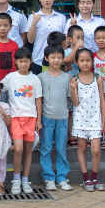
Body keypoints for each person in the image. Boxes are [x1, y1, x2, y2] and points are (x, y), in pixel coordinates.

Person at [1, 48, 42, 195]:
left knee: (28, 150)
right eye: (20, 61)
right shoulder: (10, 77)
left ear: (31, 62)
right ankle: (16, 178)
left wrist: (39, 119)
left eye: (26, 61)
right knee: (18, 149)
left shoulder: (35, 79)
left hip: (31, 117)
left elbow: (38, 99)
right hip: (15, 117)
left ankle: (25, 179)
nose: (23, 64)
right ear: (16, 62)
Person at [70, 48, 105, 191]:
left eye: (88, 60)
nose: (85, 63)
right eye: (82, 60)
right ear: (76, 62)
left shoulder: (98, 79)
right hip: (80, 118)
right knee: (82, 148)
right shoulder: (74, 79)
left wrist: (103, 121)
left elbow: (102, 100)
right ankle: (86, 178)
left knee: (96, 150)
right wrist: (72, 89)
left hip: (95, 119)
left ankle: (95, 177)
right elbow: (75, 103)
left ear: (92, 61)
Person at [38, 45, 73, 191]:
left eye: (59, 57)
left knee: (61, 149)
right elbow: (39, 100)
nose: (56, 60)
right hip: (47, 118)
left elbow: (69, 98)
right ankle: (48, 178)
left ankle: (62, 178)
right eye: (53, 57)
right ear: (46, 58)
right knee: (45, 149)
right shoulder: (41, 77)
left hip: (63, 118)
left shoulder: (66, 77)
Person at [26, 0, 67, 75]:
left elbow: (65, 40)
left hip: (57, 60)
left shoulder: (61, 17)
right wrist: (34, 23)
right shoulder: (32, 17)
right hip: (38, 59)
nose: (47, 0)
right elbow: (30, 40)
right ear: (39, 0)